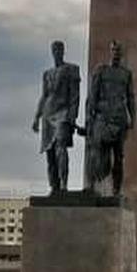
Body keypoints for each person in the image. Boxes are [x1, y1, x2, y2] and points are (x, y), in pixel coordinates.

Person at [84, 40, 136, 195]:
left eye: (119, 51)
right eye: (114, 50)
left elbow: (130, 97)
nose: (116, 53)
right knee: (96, 151)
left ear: (121, 54)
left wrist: (133, 117)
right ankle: (91, 184)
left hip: (119, 119)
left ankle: (116, 189)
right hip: (102, 116)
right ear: (110, 51)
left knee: (118, 156)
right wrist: (89, 117)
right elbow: (92, 95)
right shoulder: (101, 70)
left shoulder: (126, 74)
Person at [32, 40, 80, 193]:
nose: (56, 52)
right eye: (54, 49)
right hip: (48, 114)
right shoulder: (47, 74)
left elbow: (75, 96)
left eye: (59, 49)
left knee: (61, 148)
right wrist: (36, 117)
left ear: (63, 51)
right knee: (50, 153)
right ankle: (54, 186)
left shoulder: (71, 69)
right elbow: (44, 96)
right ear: (52, 52)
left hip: (63, 114)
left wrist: (72, 117)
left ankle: (64, 184)